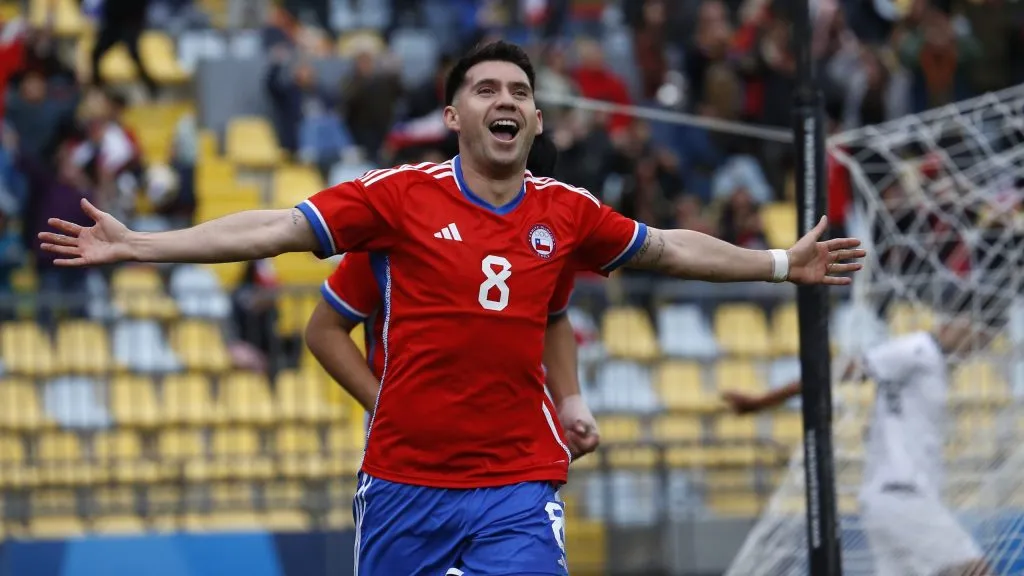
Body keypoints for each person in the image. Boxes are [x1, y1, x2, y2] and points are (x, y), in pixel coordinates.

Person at [40, 41, 865, 575]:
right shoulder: (397, 201)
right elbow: (278, 230)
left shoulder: (566, 212)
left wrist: (777, 263)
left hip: (517, 479)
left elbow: (664, 250)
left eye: (518, 90)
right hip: (405, 481)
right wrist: (142, 245)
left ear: (536, 119)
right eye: (484, 88)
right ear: (453, 115)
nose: (503, 99)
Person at [305, 134, 600, 461]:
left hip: (511, 447)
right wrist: (384, 409)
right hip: (410, 456)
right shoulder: (404, 231)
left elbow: (554, 318)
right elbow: (324, 329)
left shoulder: (547, 239)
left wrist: (571, 400)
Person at [721, 308, 996, 576]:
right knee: (975, 570)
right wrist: (764, 401)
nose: (978, 342)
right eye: (975, 331)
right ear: (953, 325)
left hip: (889, 499)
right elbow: (844, 370)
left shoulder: (932, 366)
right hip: (904, 494)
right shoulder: (918, 349)